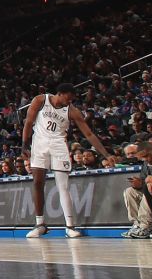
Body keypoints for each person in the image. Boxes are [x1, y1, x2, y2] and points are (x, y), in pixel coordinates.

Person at [23, 83, 109, 238]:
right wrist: (24, 144)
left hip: (58, 145)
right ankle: (40, 224)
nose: (69, 102)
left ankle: (70, 227)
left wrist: (105, 154)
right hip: (39, 143)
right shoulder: (40, 100)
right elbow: (28, 122)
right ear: (60, 93)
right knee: (37, 182)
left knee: (63, 186)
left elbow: (89, 134)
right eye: (67, 98)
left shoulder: (72, 111)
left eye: (71, 100)